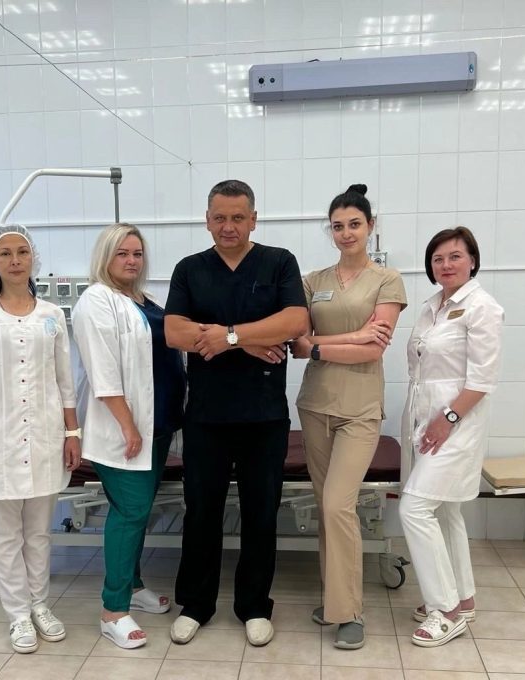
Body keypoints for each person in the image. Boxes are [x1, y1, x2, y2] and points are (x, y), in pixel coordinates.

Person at [164, 179, 307, 647]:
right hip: (205, 417)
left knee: (261, 513)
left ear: (254, 220)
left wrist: (226, 337)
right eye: (220, 217)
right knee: (200, 513)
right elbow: (175, 333)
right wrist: (251, 340)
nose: (229, 226)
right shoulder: (190, 269)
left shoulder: (278, 262)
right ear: (207, 221)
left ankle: (254, 606)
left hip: (264, 416)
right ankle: (196, 605)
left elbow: (295, 322)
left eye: (238, 217)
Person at [0, 224, 81, 654]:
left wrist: (72, 433)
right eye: (5, 253)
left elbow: (65, 381)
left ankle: (40, 605)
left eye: (22, 252)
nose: (14, 260)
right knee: (6, 536)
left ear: (33, 258)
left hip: (45, 437)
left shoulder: (52, 315)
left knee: (39, 533)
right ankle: (18, 615)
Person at [290, 184, 406, 650]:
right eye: (337, 226)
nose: (346, 233)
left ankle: (350, 612)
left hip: (359, 409)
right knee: (326, 506)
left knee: (339, 503)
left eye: (354, 224)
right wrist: (352, 336)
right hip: (315, 405)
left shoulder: (387, 280)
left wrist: (320, 345)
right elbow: (298, 343)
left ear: (370, 226)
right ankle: (336, 600)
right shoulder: (312, 280)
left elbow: (374, 347)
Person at [72, 223, 185, 650]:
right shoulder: (96, 301)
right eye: (122, 253)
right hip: (124, 430)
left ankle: (133, 586)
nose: (132, 260)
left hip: (158, 425)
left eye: (137, 253)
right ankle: (113, 610)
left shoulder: (144, 300)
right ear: (106, 257)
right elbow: (103, 372)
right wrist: (127, 424)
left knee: (139, 510)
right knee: (131, 512)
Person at [399, 227, 503, 647]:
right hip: (427, 423)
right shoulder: (432, 307)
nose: (446, 264)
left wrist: (448, 417)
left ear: (472, 261)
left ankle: (445, 611)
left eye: (455, 256)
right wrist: (429, 419)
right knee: (445, 512)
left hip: (455, 425)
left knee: (414, 508)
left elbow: (482, 379)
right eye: (438, 258)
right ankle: (464, 598)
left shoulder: (482, 307)